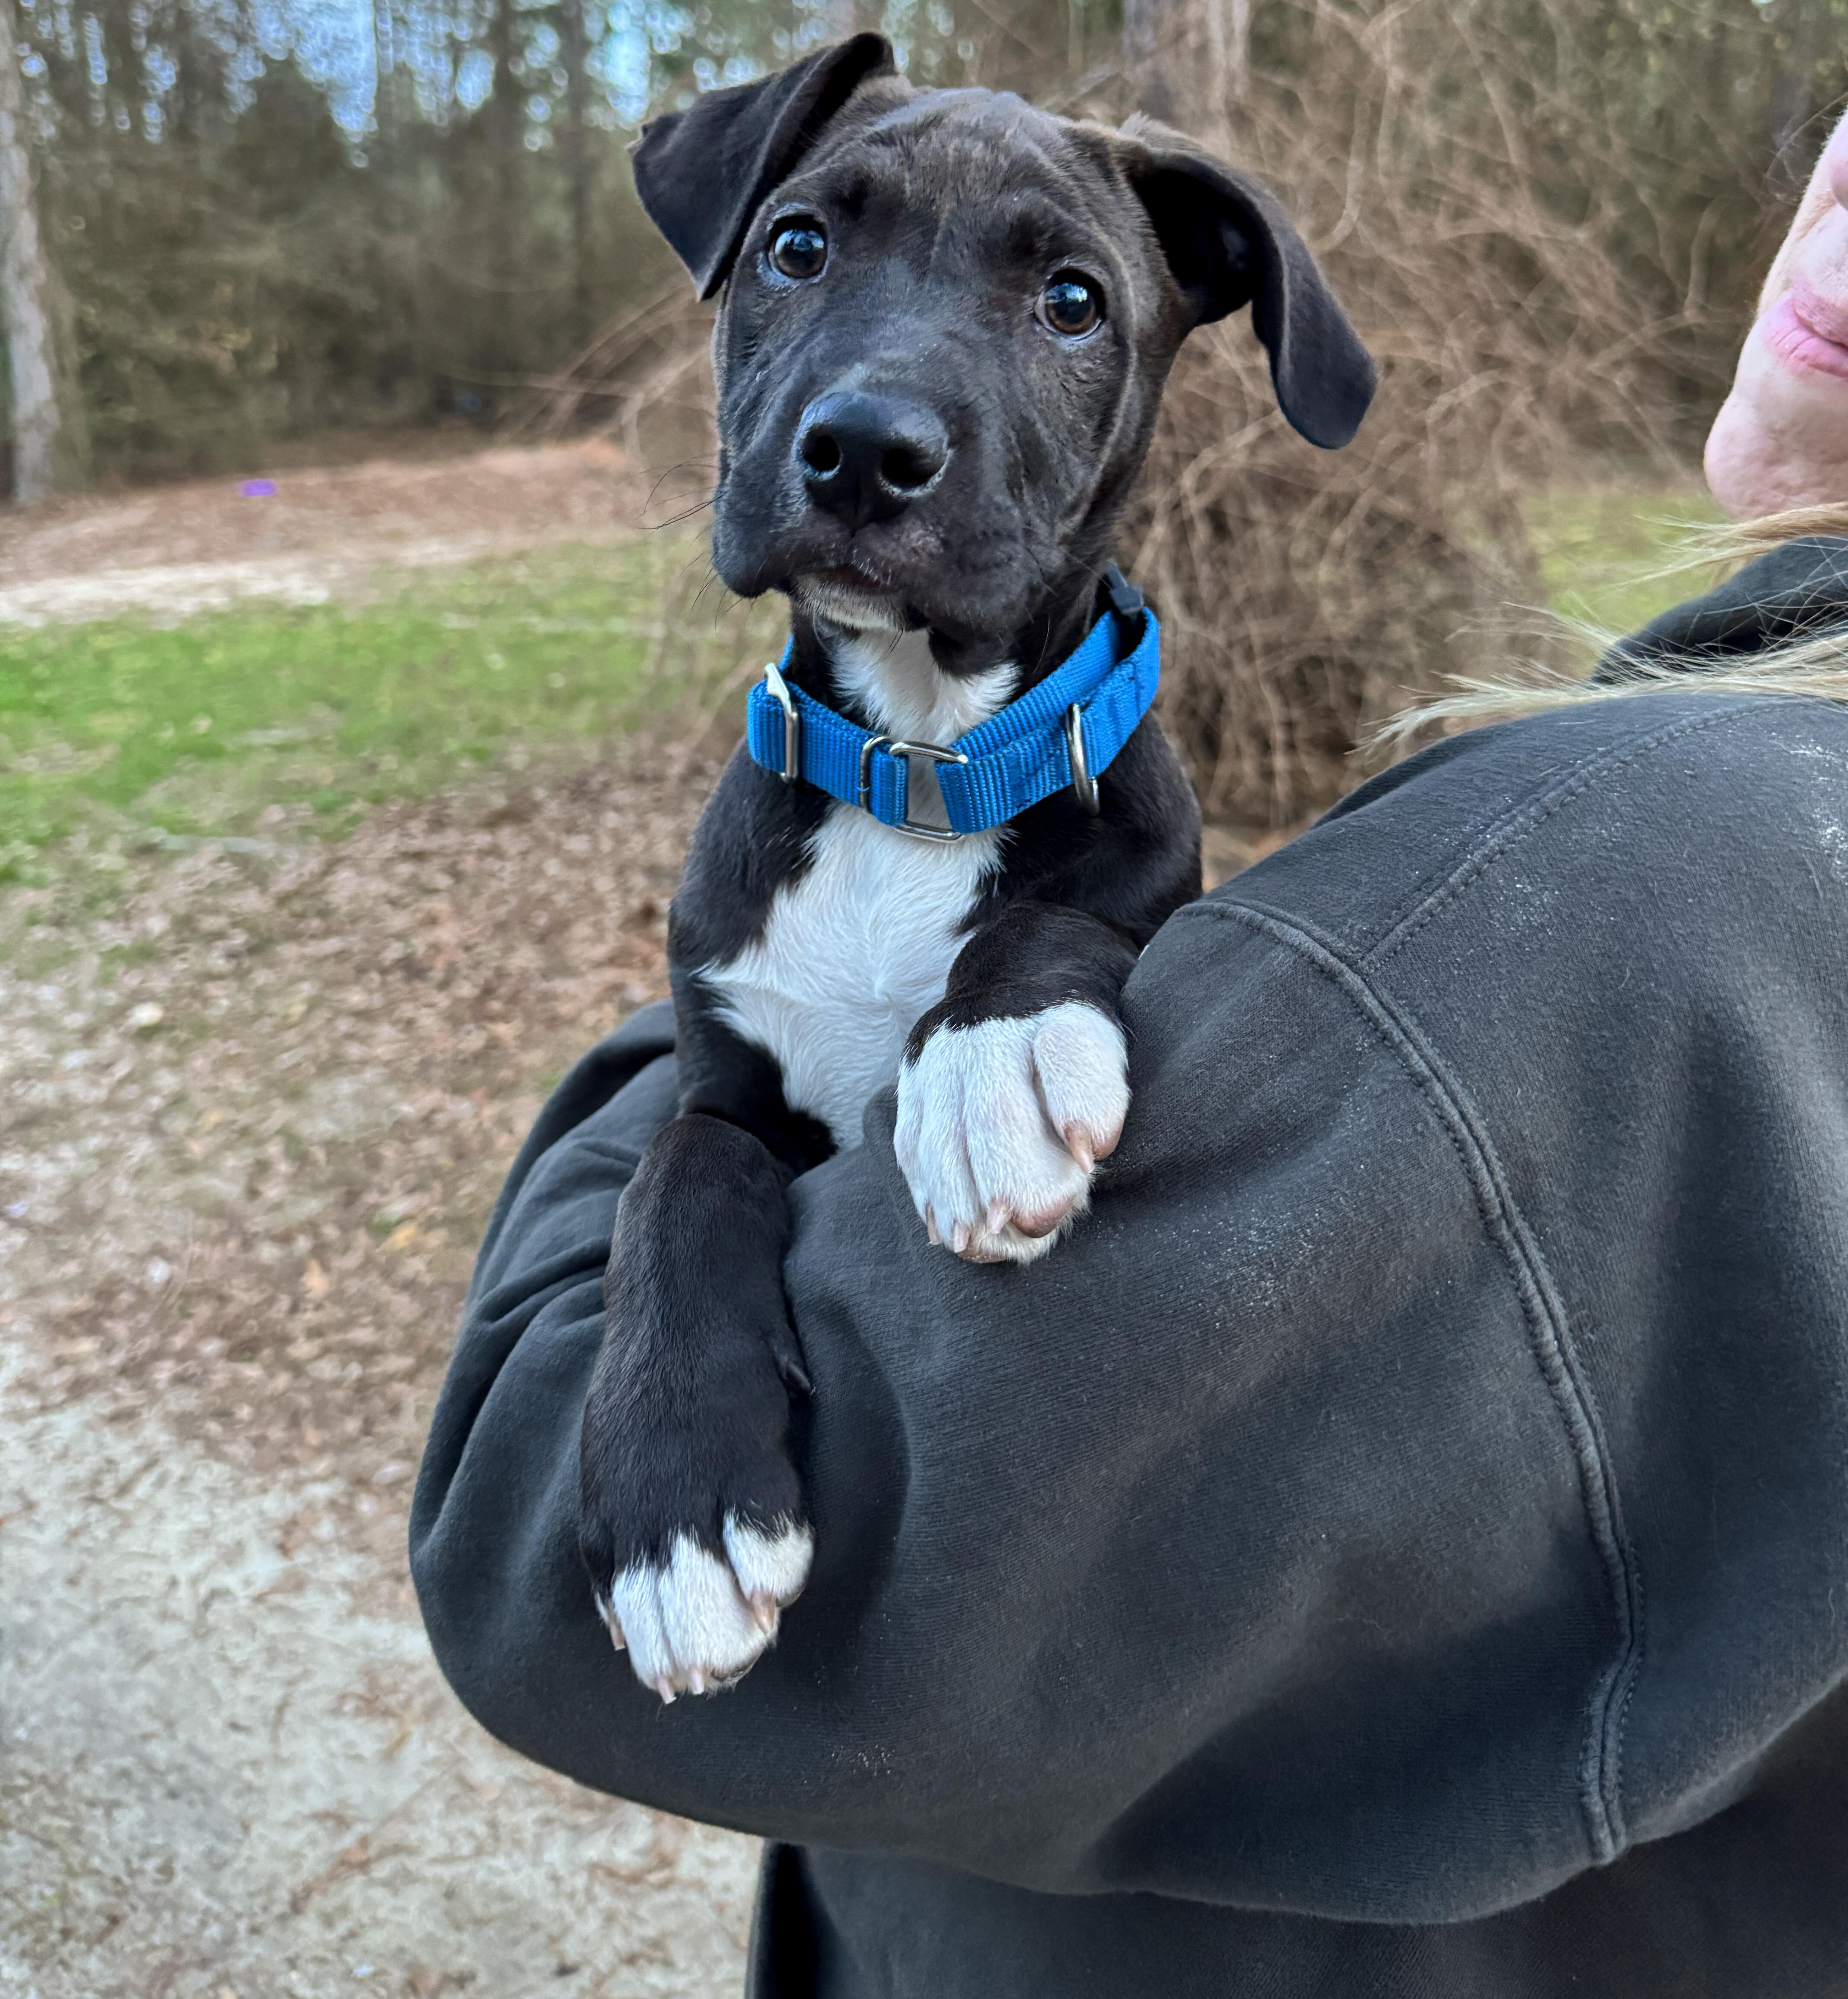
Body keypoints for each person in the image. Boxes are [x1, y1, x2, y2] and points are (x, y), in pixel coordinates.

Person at [410, 114, 1848, 1999]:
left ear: (1195, 334)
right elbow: (735, 1107)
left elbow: (520, 1521)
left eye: (1068, 301)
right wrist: (704, 1148)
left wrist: (1043, 962)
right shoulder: (1716, 748)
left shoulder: (1605, 874)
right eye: (803, 251)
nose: (874, 402)